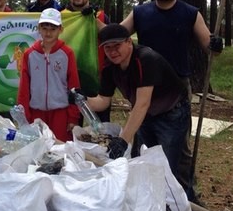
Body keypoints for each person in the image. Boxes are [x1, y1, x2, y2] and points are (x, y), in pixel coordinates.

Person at [120, 0, 223, 202]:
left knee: (176, 152)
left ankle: (185, 200)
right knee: (144, 148)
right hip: (145, 86)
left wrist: (216, 44)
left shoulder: (190, 13)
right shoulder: (140, 13)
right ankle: (147, 200)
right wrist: (91, 18)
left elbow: (210, 47)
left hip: (176, 91)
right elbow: (115, 34)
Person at [77, 24, 189, 184]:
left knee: (168, 167)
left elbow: (143, 103)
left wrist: (123, 140)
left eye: (117, 46)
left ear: (129, 42)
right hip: (145, 116)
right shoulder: (109, 67)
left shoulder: (146, 60)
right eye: (108, 48)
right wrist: (81, 99)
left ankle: (181, 198)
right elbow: (103, 101)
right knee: (142, 163)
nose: (113, 52)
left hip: (171, 114)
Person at [17, 8, 80, 142]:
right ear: (38, 28)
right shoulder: (29, 54)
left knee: (60, 148)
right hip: (36, 112)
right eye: (44, 28)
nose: (48, 32)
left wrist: (73, 117)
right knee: (38, 148)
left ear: (60, 30)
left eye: (53, 29)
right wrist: (24, 116)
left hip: (60, 112)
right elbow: (24, 87)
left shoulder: (67, 53)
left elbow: (74, 86)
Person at [62, 0, 111, 122]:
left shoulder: (100, 16)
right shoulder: (61, 17)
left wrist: (93, 19)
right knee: (72, 125)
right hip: (70, 80)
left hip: (98, 80)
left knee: (100, 127)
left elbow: (111, 37)